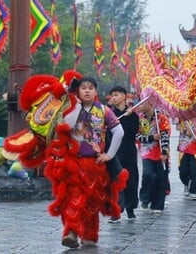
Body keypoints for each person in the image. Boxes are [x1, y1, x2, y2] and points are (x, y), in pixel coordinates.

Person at [60, 76, 125, 248]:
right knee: (73, 197)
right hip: (74, 162)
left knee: (92, 201)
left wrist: (109, 155)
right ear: (78, 91)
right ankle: (71, 233)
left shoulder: (104, 111)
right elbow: (65, 126)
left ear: (96, 92)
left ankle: (89, 236)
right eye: (83, 88)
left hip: (96, 165)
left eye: (90, 88)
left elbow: (119, 132)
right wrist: (75, 105)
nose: (87, 90)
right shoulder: (70, 109)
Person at [107, 85, 140, 221]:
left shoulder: (133, 115)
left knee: (131, 181)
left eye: (116, 95)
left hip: (129, 152)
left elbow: (131, 133)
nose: (114, 98)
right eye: (112, 95)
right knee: (115, 182)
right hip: (115, 153)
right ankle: (116, 210)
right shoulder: (109, 114)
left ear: (124, 97)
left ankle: (131, 208)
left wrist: (128, 117)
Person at [136, 103, 171, 212]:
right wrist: (152, 137)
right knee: (148, 174)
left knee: (161, 177)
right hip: (146, 152)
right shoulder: (140, 119)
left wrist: (165, 152)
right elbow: (137, 136)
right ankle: (145, 199)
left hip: (160, 152)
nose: (140, 106)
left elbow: (165, 135)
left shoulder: (161, 118)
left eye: (142, 103)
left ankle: (157, 204)